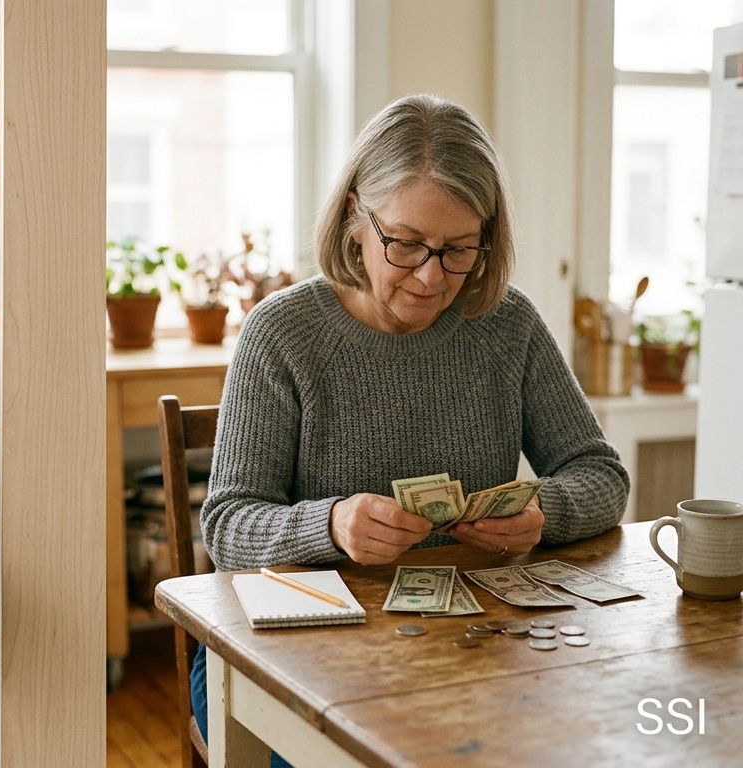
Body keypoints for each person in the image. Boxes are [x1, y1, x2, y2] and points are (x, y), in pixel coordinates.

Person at [188, 94, 629, 765]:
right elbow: (227, 527)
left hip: (470, 639)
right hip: (287, 650)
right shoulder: (282, 333)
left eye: (459, 251)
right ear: (354, 218)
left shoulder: (508, 325)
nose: (431, 277)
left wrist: (546, 510)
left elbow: (602, 476)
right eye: (406, 244)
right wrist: (330, 525)